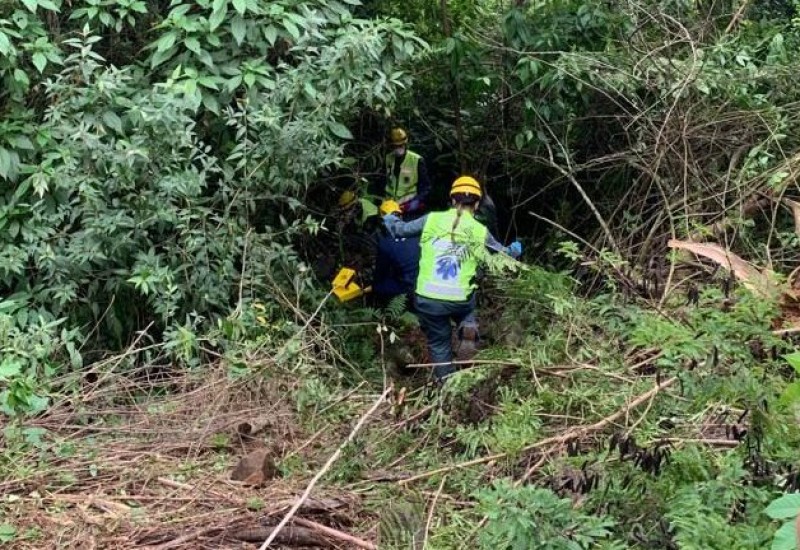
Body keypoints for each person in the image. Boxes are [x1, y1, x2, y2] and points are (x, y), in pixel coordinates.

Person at [383, 176, 522, 383]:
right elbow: (503, 256)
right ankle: (467, 326)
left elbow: (398, 230)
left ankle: (446, 387)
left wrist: (390, 215)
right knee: (468, 307)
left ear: (452, 199)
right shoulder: (479, 230)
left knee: (439, 344)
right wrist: (515, 248)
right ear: (476, 204)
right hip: (460, 300)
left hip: (428, 299)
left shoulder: (431, 219)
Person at [371, 200, 421, 309]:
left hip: (409, 287)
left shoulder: (386, 243)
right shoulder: (416, 232)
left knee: (378, 286)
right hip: (427, 282)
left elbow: (380, 273)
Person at [376, 127, 431, 218]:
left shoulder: (416, 160)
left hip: (407, 205)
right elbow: (382, 181)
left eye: (400, 145)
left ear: (405, 144)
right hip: (389, 206)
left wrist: (416, 201)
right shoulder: (388, 158)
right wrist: (380, 200)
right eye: (395, 146)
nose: (398, 148)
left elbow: (426, 186)